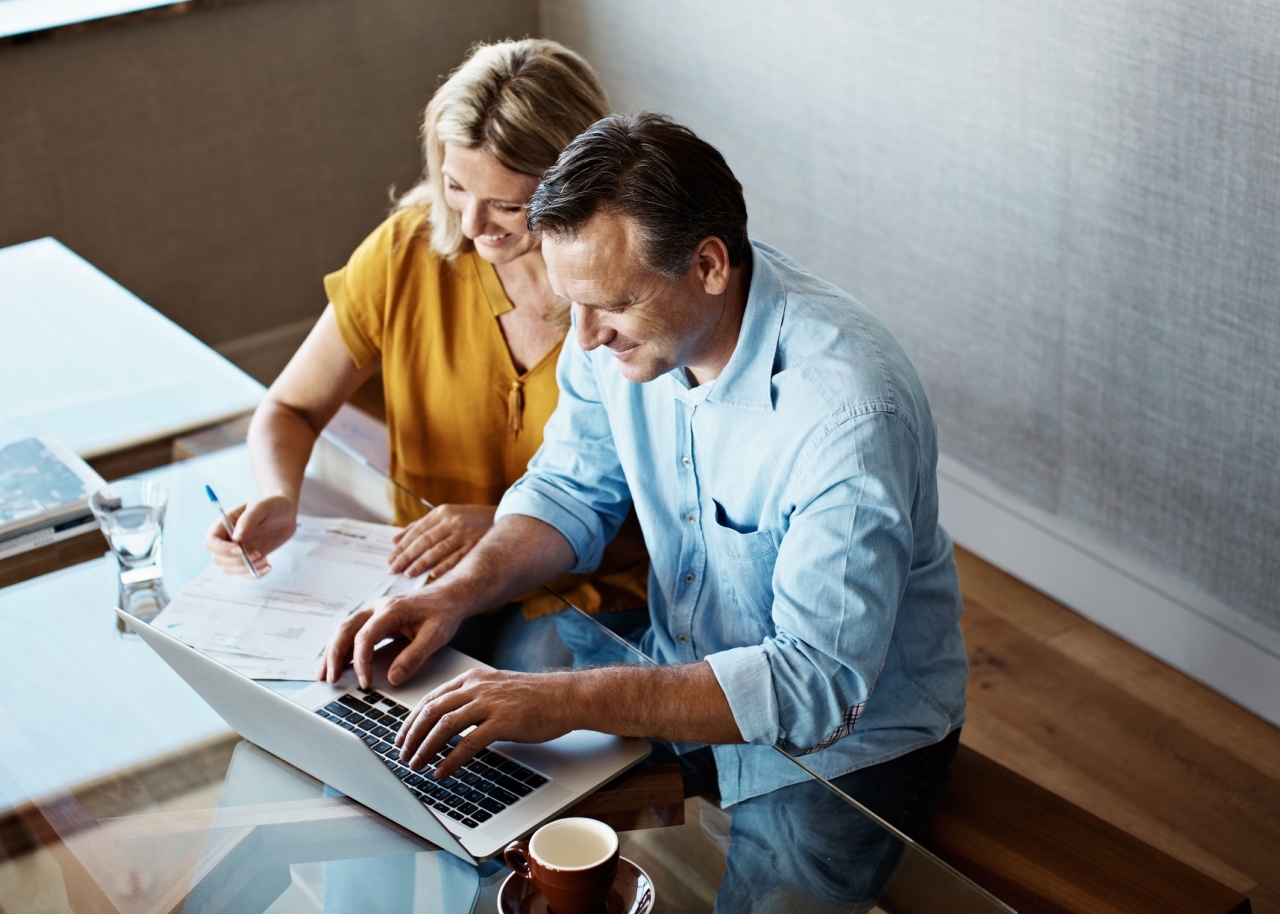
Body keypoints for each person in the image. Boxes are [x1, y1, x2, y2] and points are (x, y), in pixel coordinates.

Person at [319, 114, 968, 910]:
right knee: (457, 818)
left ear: (708, 265)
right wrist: (452, 592)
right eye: (572, 306)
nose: (584, 339)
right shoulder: (616, 335)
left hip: (849, 745)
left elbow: (816, 684)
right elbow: (568, 489)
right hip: (678, 660)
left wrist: (562, 702)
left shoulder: (847, 415)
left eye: (612, 307)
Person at [205, 40, 648, 669]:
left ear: (578, 184)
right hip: (424, 574)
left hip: (582, 587)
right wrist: (279, 495)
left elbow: (670, 496)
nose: (472, 225)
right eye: (455, 188)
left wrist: (502, 523)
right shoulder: (405, 252)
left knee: (514, 730)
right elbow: (292, 407)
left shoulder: (628, 283)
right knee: (357, 698)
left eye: (507, 205)